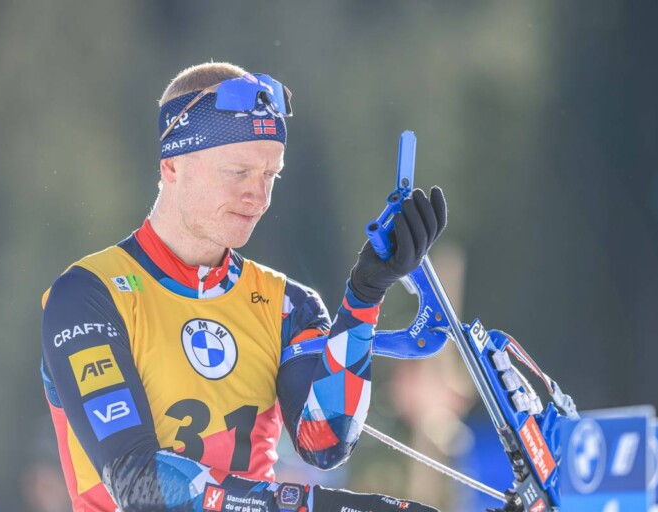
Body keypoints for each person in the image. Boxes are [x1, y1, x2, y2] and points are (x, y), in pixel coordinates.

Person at [40, 62, 447, 512]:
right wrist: (317, 508)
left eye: (271, 175)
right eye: (238, 171)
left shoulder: (286, 303)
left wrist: (364, 296)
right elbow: (138, 483)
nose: (259, 195)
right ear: (172, 165)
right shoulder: (87, 295)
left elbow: (325, 441)